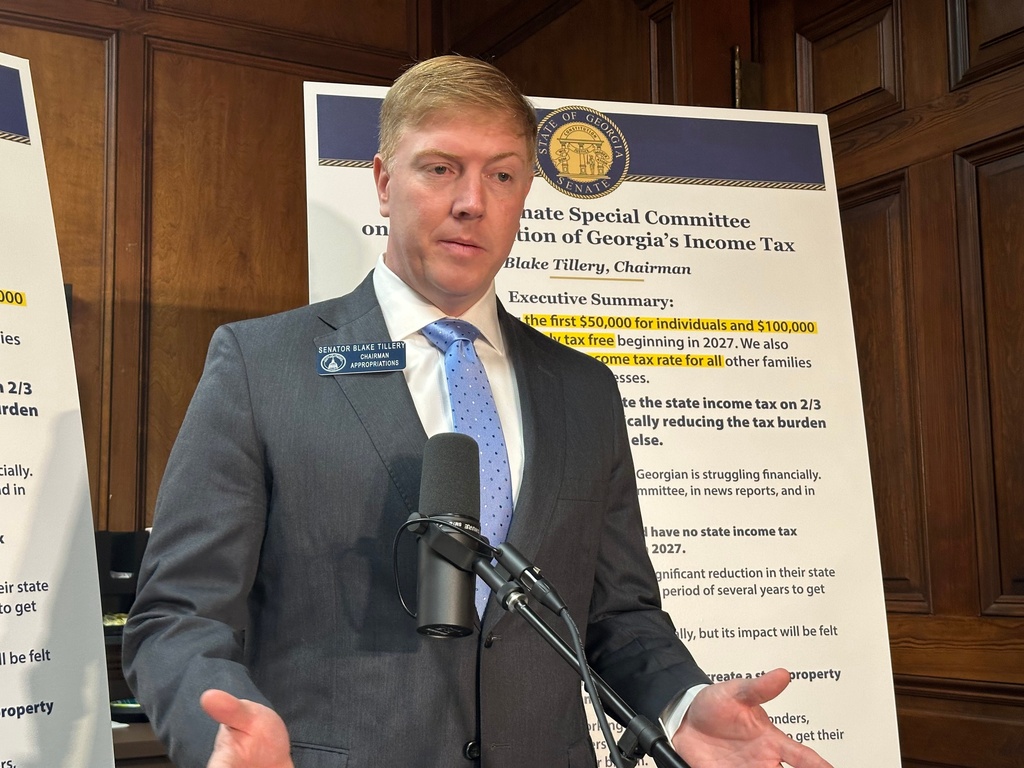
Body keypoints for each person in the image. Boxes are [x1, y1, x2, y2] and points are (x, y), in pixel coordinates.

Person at [123, 55, 834, 768]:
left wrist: (680, 701)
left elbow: (620, 617)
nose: (473, 202)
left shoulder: (583, 389)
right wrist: (216, 723)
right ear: (382, 181)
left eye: (502, 175)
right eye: (440, 169)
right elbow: (178, 614)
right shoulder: (261, 366)